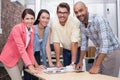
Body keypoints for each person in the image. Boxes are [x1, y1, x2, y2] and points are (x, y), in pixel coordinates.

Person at [74, 1, 120, 77]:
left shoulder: (99, 20)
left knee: (107, 78)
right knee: (96, 76)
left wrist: (96, 65)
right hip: (100, 52)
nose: (79, 14)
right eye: (76, 12)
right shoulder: (82, 24)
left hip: (112, 52)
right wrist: (80, 61)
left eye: (81, 10)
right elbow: (84, 44)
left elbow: (105, 45)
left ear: (86, 9)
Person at [0, 9, 45, 80]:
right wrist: (30, 67)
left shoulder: (32, 29)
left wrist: (35, 66)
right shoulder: (17, 29)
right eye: (27, 18)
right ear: (22, 20)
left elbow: (30, 49)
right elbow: (22, 49)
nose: (30, 21)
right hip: (9, 57)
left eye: (32, 18)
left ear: (34, 19)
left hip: (19, 58)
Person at [23, 9, 55, 80]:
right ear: (39, 18)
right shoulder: (32, 28)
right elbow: (29, 49)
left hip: (37, 54)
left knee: (36, 76)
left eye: (47, 18)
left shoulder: (48, 29)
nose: (45, 20)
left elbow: (47, 46)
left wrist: (50, 63)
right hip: (28, 54)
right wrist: (36, 65)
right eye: (43, 17)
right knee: (28, 76)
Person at [51, 2, 81, 67]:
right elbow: (56, 42)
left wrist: (73, 62)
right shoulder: (54, 23)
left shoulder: (75, 22)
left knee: (75, 70)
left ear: (69, 13)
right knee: (66, 71)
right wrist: (58, 61)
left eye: (64, 13)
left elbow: (74, 43)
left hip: (77, 49)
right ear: (57, 13)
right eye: (60, 12)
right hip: (66, 49)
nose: (62, 15)